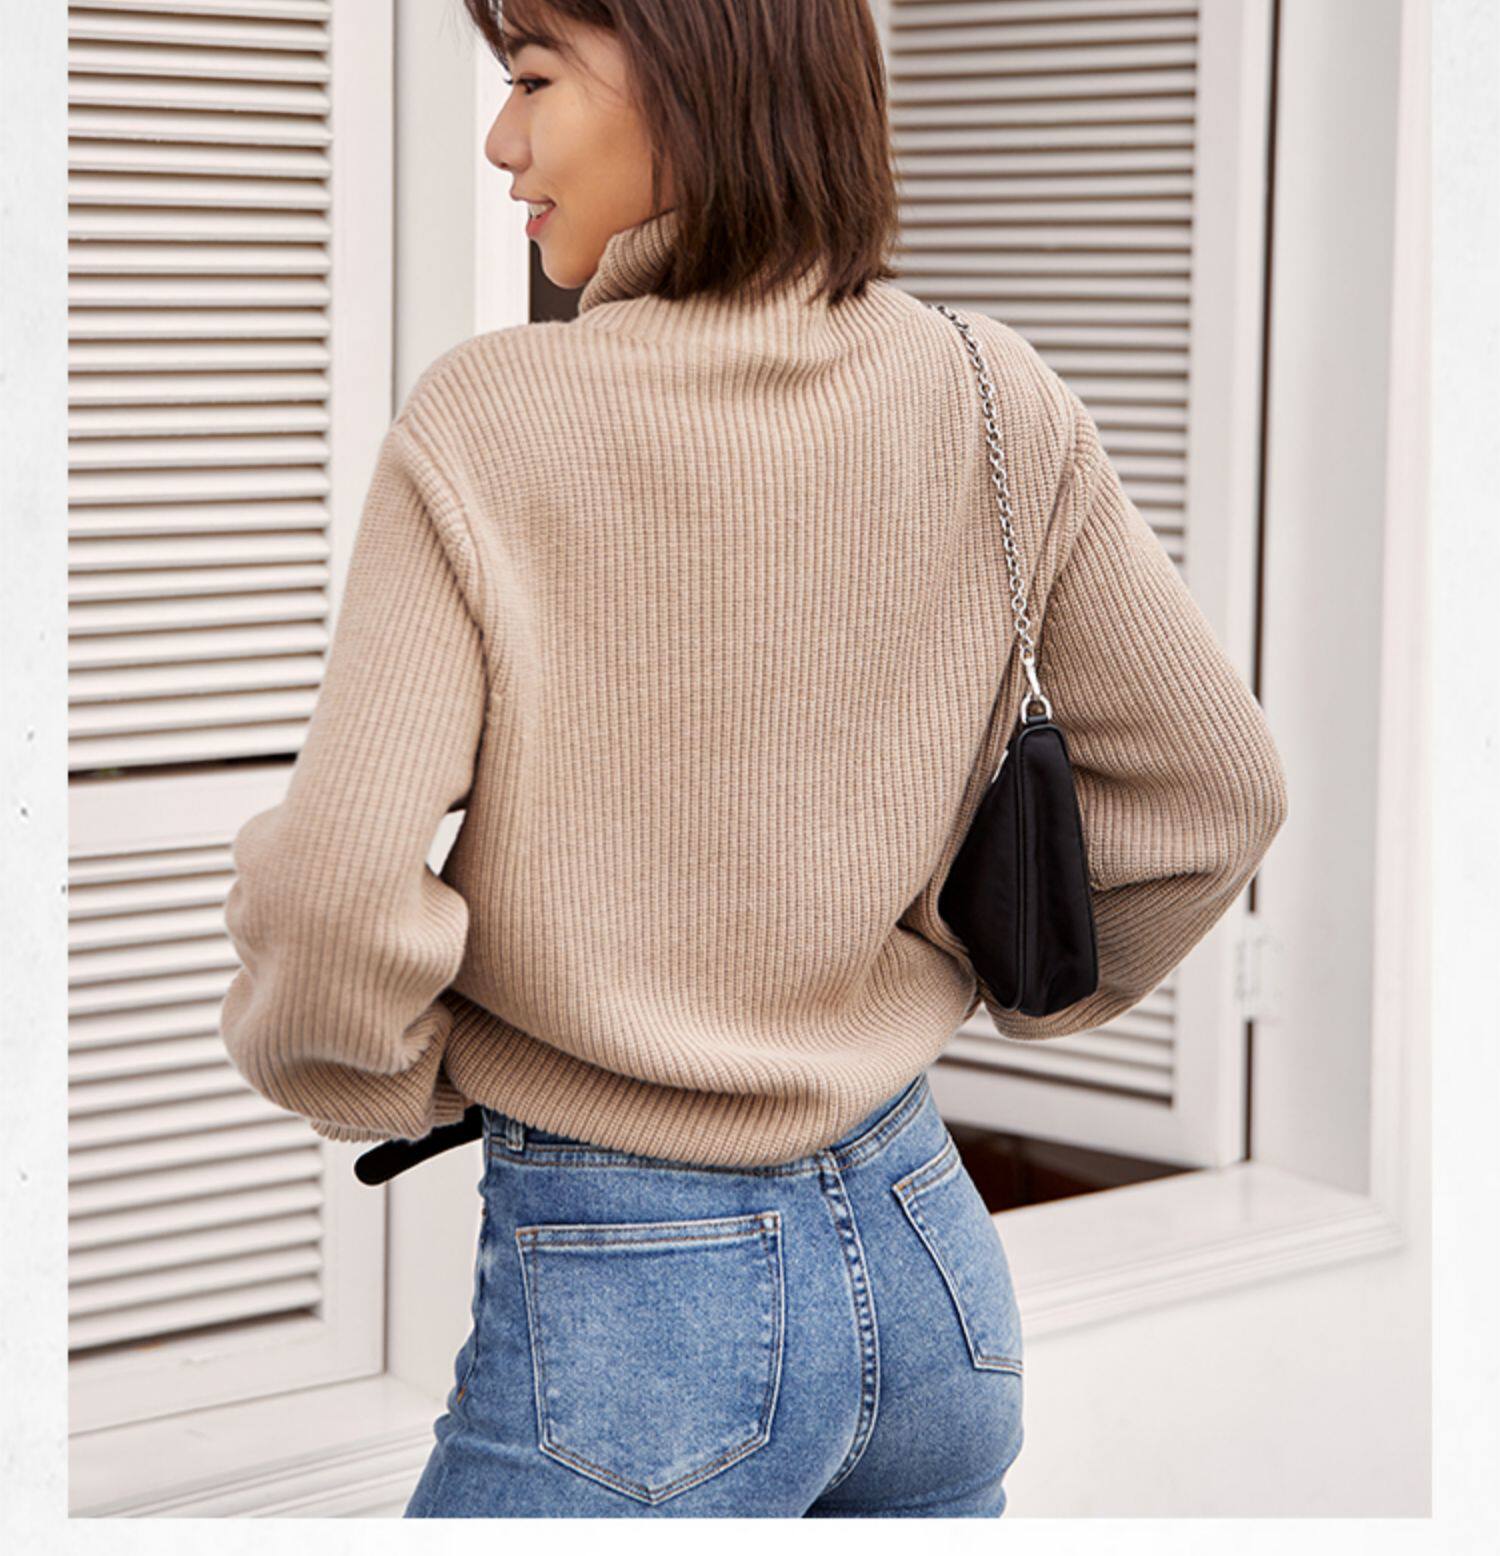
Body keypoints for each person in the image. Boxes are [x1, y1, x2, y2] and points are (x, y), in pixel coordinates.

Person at [217, 0, 1288, 1519]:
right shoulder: (988, 387)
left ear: (693, 79)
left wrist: (395, 1073)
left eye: (533, 77)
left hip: (634, 1299)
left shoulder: (495, 418)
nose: (502, 140)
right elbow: (1216, 790)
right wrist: (970, 978)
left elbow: (335, 891)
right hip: (929, 1255)